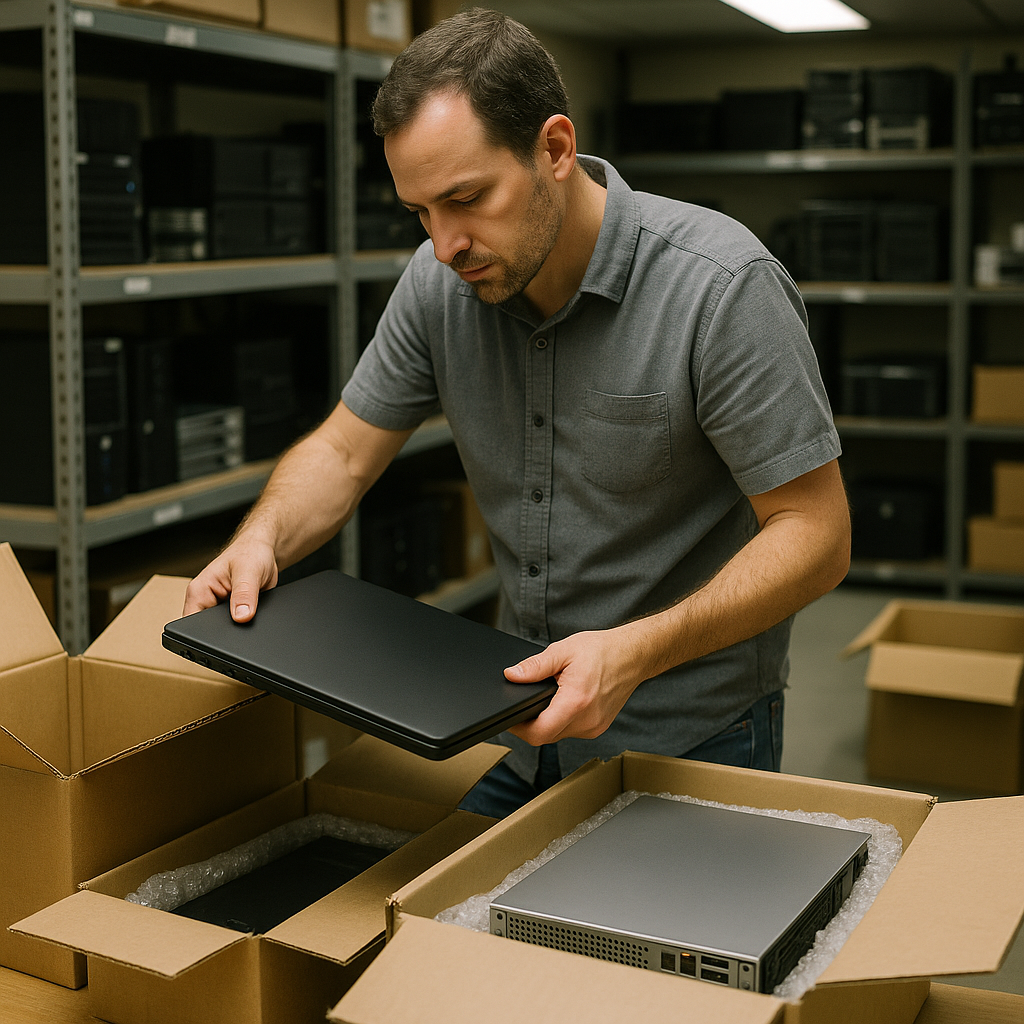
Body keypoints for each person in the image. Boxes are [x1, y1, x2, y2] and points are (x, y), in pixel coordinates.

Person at [184, 8, 850, 818]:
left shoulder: (721, 287)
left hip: (692, 737)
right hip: (514, 725)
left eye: (466, 198)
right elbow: (344, 452)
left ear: (556, 150)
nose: (445, 245)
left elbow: (816, 535)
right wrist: (261, 538)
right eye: (421, 213)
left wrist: (634, 652)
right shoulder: (439, 285)